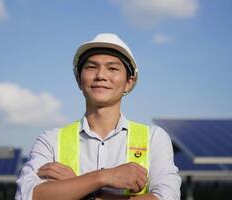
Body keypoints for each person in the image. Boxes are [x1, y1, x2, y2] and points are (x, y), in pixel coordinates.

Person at [15, 33, 181, 200]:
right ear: (79, 80)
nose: (101, 75)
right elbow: (27, 196)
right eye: (91, 67)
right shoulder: (50, 140)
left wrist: (82, 190)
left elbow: (168, 197)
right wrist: (103, 177)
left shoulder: (154, 138)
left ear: (129, 82)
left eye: (113, 68)